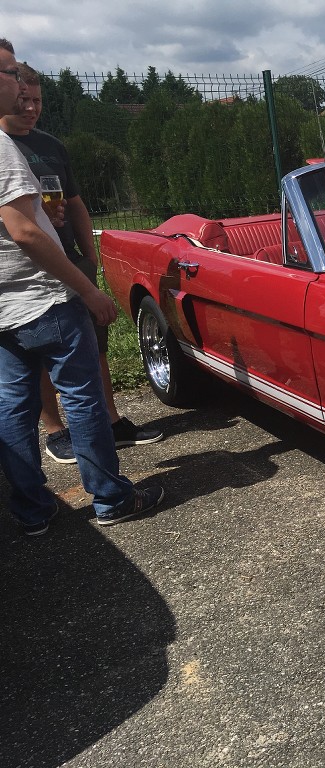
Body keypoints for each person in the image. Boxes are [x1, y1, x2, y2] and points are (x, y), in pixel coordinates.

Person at [0, 38, 163, 535]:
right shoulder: (2, 149)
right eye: (8, 73)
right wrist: (88, 289)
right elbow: (25, 230)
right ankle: (111, 499)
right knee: (82, 398)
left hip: (4, 305)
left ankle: (31, 512)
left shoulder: (41, 145)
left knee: (12, 407)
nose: (17, 82)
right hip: (42, 296)